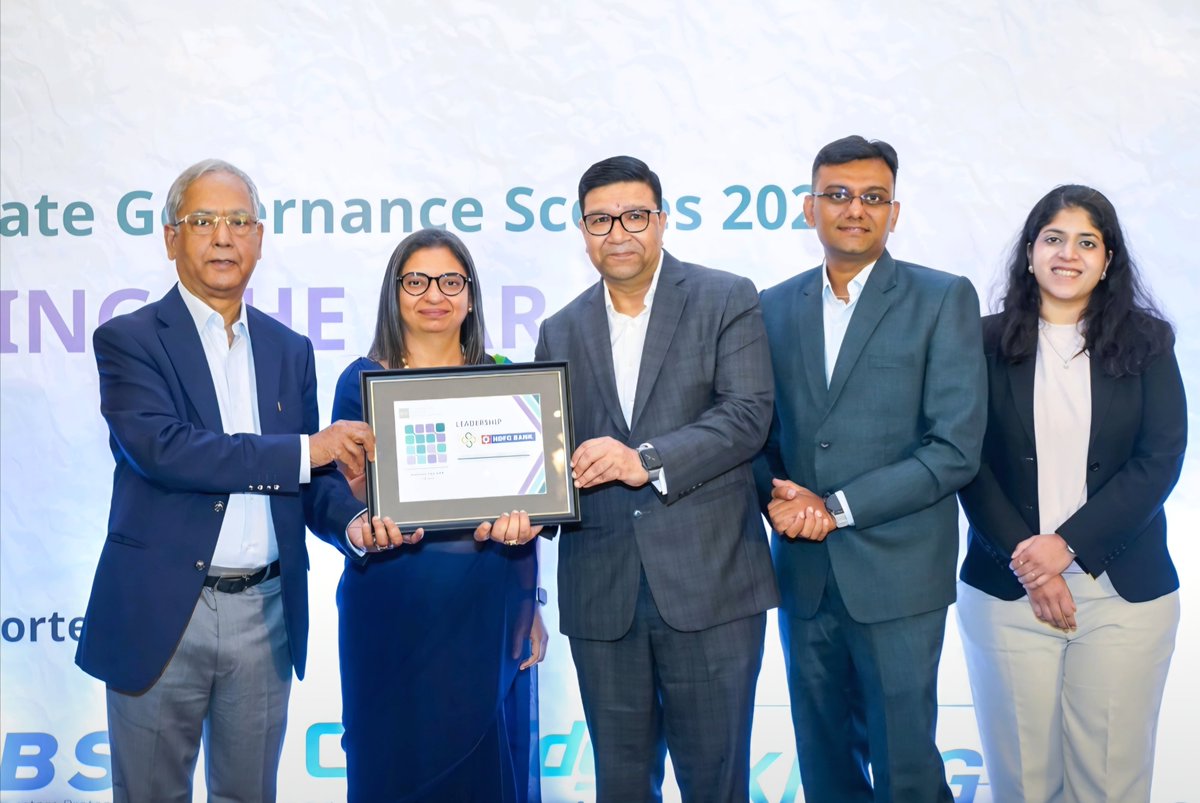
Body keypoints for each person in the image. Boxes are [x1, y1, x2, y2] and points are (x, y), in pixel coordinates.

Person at [76, 158, 402, 802]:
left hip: (266, 611)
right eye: (203, 221)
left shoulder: (289, 349)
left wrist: (355, 524)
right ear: (171, 238)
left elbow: (308, 481)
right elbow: (166, 451)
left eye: (238, 221)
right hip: (163, 612)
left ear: (258, 237)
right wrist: (307, 451)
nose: (223, 237)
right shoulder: (129, 340)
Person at [531, 155, 778, 802]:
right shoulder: (559, 329)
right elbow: (547, 458)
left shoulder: (726, 298)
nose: (618, 232)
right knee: (620, 785)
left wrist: (646, 459)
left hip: (711, 586)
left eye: (635, 216)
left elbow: (748, 416)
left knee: (716, 785)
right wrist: (516, 505)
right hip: (601, 593)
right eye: (600, 220)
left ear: (663, 220)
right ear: (582, 230)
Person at [754, 135, 987, 802]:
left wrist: (836, 508)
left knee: (906, 767)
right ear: (809, 208)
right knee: (824, 763)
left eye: (873, 197)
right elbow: (756, 432)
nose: (855, 209)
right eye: (838, 194)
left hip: (899, 574)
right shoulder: (771, 306)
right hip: (804, 574)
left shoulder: (941, 298)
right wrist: (776, 498)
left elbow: (954, 447)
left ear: (894, 212)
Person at [956, 185, 1186, 802]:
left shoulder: (1149, 342)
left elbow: (1159, 459)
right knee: (1023, 785)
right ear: (1030, 251)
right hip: (1007, 591)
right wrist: (1032, 564)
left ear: (1107, 260)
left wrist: (1067, 546)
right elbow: (966, 461)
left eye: (1087, 242)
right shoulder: (979, 342)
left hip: (1122, 597)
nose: (1068, 254)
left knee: (1110, 785)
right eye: (1054, 239)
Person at [331, 227, 547, 803]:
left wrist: (530, 607)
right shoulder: (359, 381)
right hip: (390, 608)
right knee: (391, 767)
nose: (435, 294)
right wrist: (359, 517)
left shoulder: (504, 376)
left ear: (470, 296)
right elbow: (335, 493)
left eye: (451, 281)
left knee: (487, 772)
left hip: (488, 610)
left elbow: (529, 513)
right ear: (394, 293)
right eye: (417, 281)